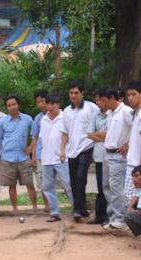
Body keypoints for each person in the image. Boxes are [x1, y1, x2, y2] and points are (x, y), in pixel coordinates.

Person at [60, 80, 99, 222]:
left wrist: (96, 139)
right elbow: (64, 132)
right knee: (74, 180)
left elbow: (99, 124)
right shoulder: (66, 111)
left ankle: (77, 209)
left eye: (76, 92)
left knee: (81, 177)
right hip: (71, 150)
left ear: (82, 93)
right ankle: (81, 209)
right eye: (71, 93)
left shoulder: (91, 108)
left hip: (86, 147)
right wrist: (62, 150)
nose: (73, 95)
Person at [0, 94, 38, 212]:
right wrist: (6, 149)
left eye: (14, 104)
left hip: (24, 158)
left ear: (18, 105)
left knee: (30, 184)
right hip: (7, 159)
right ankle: (15, 209)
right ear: (6, 107)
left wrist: (30, 148)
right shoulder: (2, 122)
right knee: (11, 185)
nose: (11, 107)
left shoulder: (28, 119)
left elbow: (36, 134)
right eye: (9, 105)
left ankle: (35, 208)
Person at [101, 87, 133, 229]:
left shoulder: (126, 111)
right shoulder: (110, 113)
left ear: (113, 98)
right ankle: (112, 216)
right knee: (106, 186)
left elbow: (137, 128)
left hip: (118, 154)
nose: (102, 104)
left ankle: (120, 218)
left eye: (104, 100)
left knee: (116, 187)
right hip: (107, 152)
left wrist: (128, 143)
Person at [39, 93, 74, 222]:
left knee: (68, 185)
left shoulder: (65, 117)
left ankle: (77, 210)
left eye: (53, 104)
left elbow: (69, 136)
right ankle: (54, 212)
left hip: (62, 158)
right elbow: (42, 139)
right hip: (46, 158)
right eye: (48, 103)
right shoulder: (43, 119)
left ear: (58, 104)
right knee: (47, 187)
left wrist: (64, 151)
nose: (50, 106)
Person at [124, 81, 141, 206]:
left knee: (132, 197)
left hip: (137, 163)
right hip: (132, 160)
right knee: (132, 196)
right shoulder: (136, 113)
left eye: (133, 94)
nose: (130, 98)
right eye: (128, 95)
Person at [87, 87, 109, 224]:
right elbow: (89, 134)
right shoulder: (95, 115)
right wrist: (104, 137)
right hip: (99, 156)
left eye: (101, 100)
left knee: (111, 187)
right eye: (97, 100)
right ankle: (100, 216)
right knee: (101, 187)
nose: (99, 103)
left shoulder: (113, 115)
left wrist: (101, 135)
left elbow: (112, 135)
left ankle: (111, 216)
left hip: (112, 156)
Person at [31, 90, 51, 212]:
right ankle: (47, 207)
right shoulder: (38, 118)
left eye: (43, 101)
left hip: (55, 155)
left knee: (63, 182)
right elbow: (35, 137)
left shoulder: (59, 115)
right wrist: (33, 155)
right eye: (38, 102)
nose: (41, 104)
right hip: (40, 155)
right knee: (43, 183)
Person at [124, 165, 141, 237]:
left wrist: (133, 211)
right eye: (133, 176)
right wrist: (130, 207)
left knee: (129, 216)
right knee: (129, 212)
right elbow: (135, 197)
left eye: (136, 176)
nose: (133, 179)